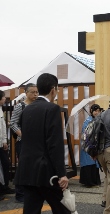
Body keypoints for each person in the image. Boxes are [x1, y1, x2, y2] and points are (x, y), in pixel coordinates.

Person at [14, 73, 70, 214]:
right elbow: (54, 144)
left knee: (31, 210)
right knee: (63, 208)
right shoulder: (52, 109)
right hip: (46, 172)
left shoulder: (27, 109)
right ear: (53, 89)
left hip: (27, 169)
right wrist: (61, 173)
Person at [9, 83, 38, 203]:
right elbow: (13, 123)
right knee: (22, 167)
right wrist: (22, 134)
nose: (35, 94)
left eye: (37, 92)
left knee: (34, 167)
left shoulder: (38, 106)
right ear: (26, 92)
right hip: (23, 142)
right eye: (33, 92)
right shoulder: (20, 106)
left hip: (36, 142)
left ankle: (32, 192)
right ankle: (20, 193)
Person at [79, 104, 102, 188]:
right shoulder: (88, 121)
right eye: (95, 111)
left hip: (93, 145)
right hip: (88, 145)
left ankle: (94, 182)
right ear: (91, 111)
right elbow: (86, 134)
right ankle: (89, 182)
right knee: (89, 163)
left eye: (98, 111)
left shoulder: (95, 120)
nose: (97, 112)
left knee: (93, 163)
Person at [0, 90, 15, 200]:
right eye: (3, 97)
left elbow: (2, 127)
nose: (5, 99)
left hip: (1, 143)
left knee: (5, 164)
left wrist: (4, 141)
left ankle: (5, 186)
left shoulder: (1, 109)